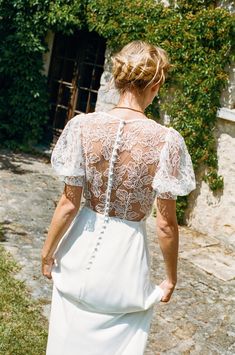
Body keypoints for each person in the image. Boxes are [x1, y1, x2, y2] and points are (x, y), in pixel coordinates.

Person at [42, 40, 196, 355]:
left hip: (78, 250)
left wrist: (48, 254)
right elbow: (166, 223)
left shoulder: (82, 126)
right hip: (125, 260)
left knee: (66, 339)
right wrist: (170, 278)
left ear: (119, 78)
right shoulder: (167, 141)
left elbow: (69, 204)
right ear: (154, 84)